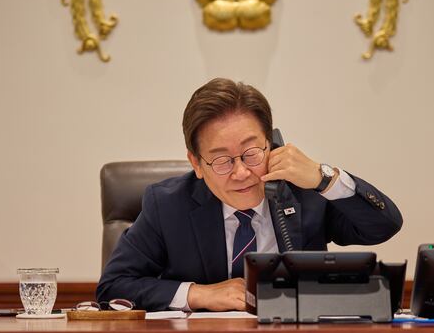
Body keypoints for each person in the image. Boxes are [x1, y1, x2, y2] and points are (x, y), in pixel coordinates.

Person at [96, 78, 402, 312]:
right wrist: (200, 294)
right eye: (221, 160)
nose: (241, 172)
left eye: (251, 152)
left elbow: (383, 225)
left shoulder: (304, 191)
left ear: (272, 145)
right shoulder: (168, 205)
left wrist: (324, 178)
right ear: (196, 164)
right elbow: (113, 287)